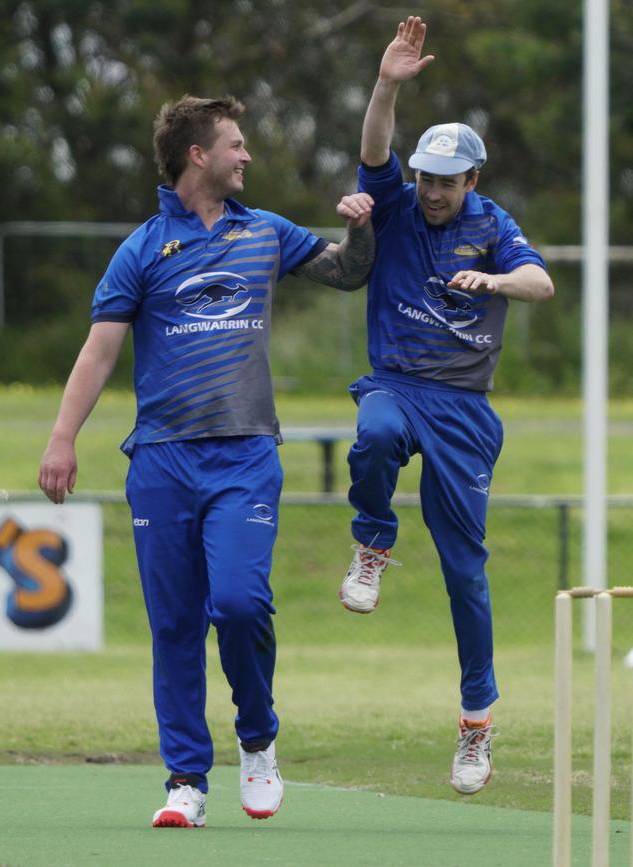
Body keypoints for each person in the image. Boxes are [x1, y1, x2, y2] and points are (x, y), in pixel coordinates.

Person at [38, 95, 375, 828]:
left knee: (241, 602)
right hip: (161, 460)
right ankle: (185, 779)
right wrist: (63, 438)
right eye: (236, 144)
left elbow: (349, 274)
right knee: (175, 624)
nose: (247, 155)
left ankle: (258, 741)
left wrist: (363, 229)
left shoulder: (268, 233)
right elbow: (99, 351)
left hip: (246, 456)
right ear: (199, 155)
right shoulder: (142, 249)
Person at [338, 16, 554, 796]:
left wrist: (494, 281)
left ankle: (475, 723)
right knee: (373, 437)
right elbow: (374, 147)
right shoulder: (392, 204)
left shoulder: (493, 226)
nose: (431, 191)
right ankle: (373, 542)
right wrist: (387, 85)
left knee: (466, 572)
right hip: (399, 382)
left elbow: (542, 283)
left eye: (445, 180)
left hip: (465, 407)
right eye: (425, 177)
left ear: (471, 181)